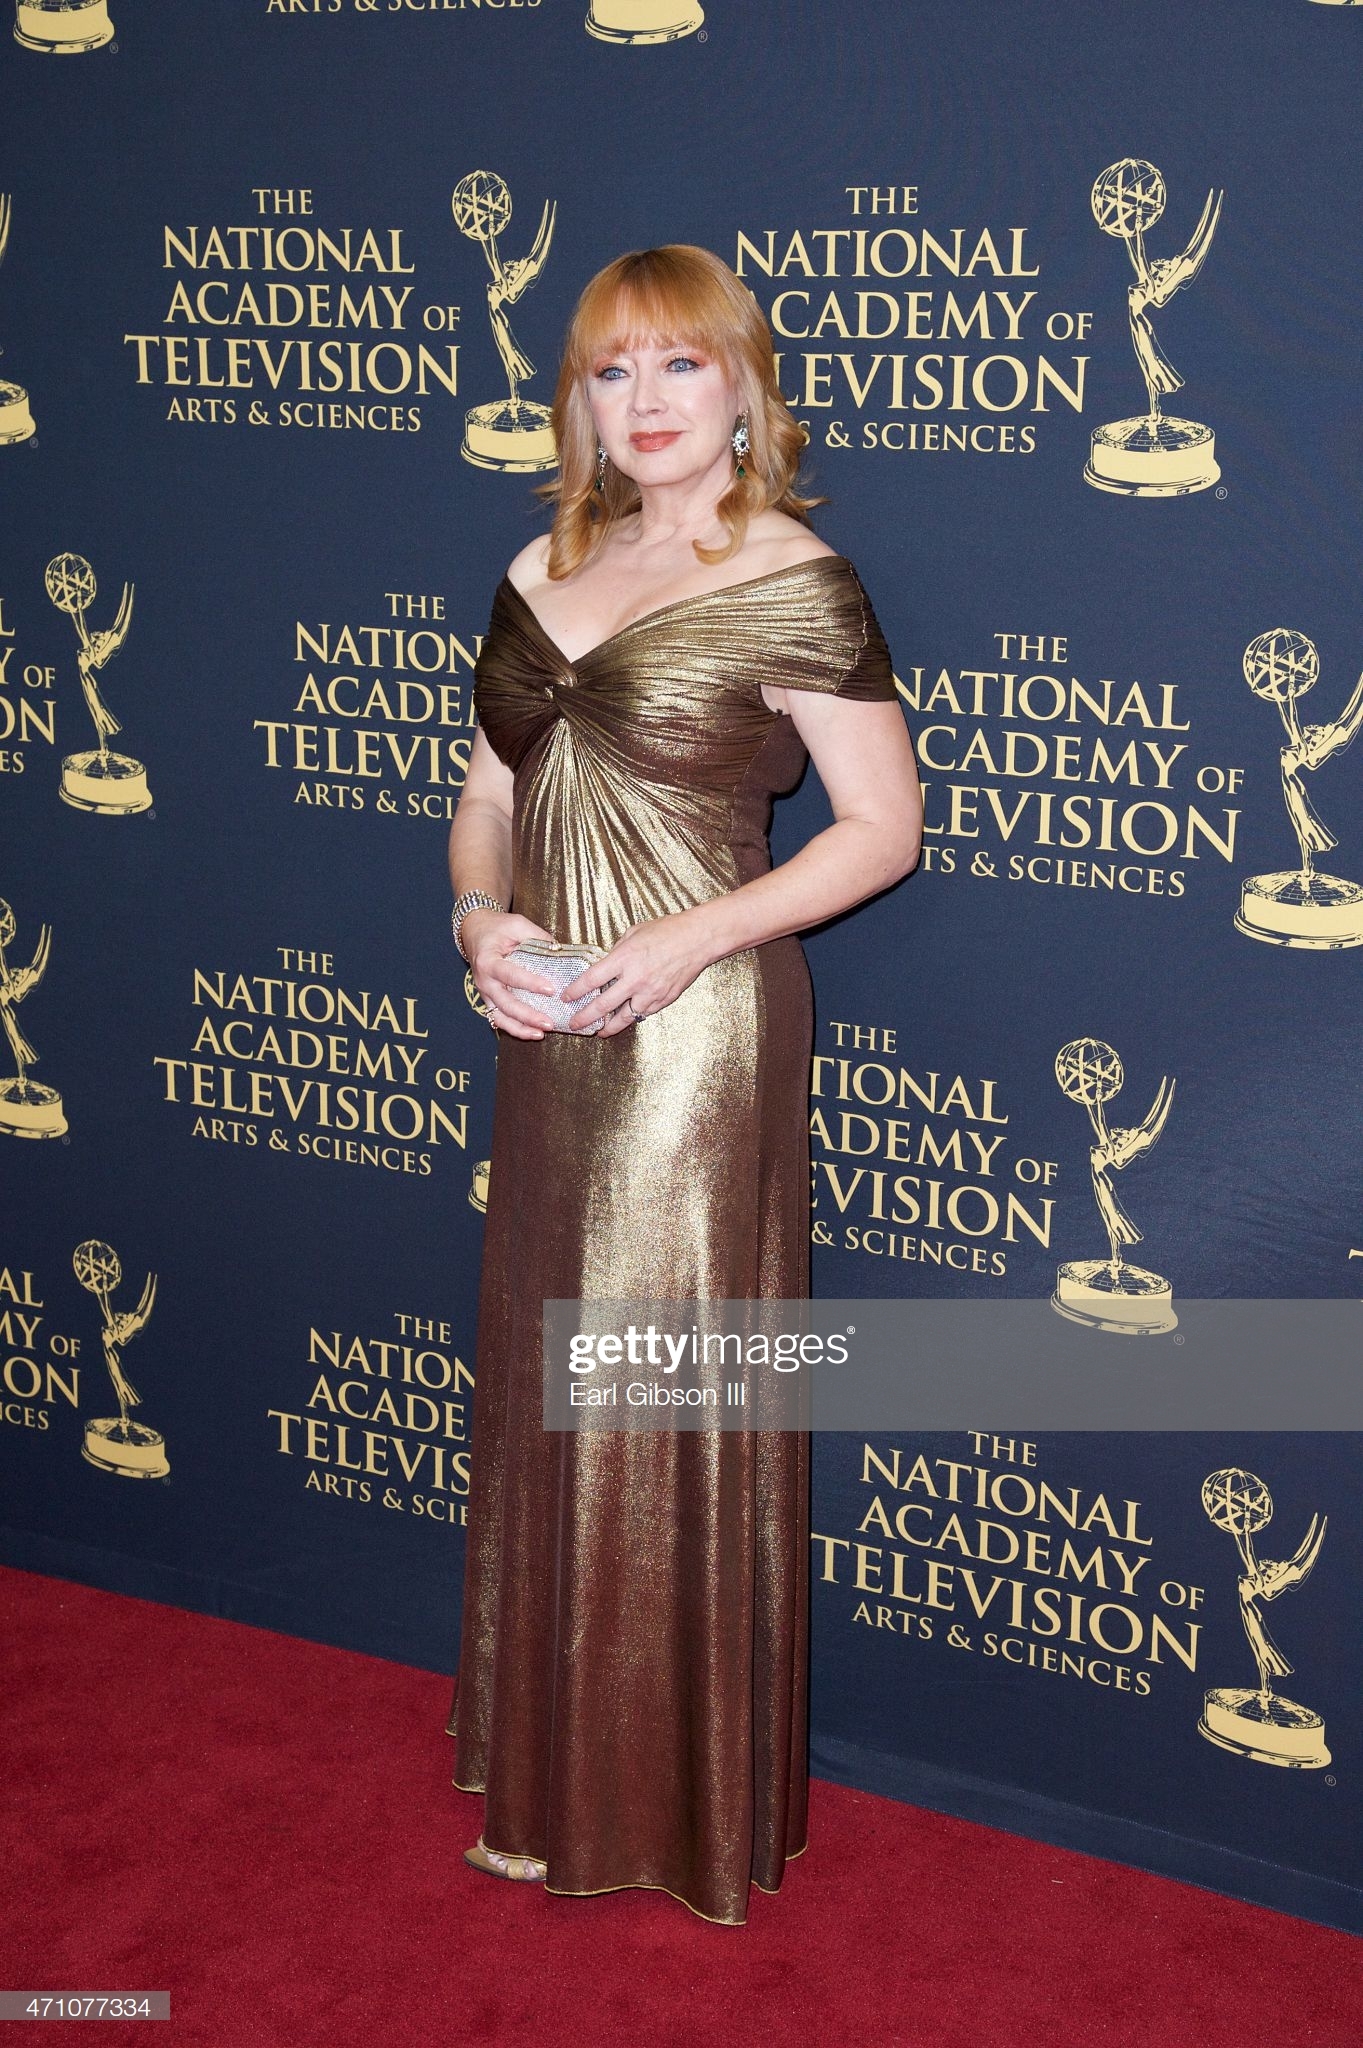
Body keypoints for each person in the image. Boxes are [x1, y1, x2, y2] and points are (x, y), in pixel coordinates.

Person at [444, 244, 922, 1926]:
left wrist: (685, 944)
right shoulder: (542, 565)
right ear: (575, 399)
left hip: (698, 1031)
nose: (642, 401)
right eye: (610, 369)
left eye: (679, 365)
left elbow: (883, 830)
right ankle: (558, 1769)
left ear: (743, 392)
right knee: (555, 1362)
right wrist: (479, 925)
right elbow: (487, 799)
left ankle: (665, 1800)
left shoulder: (795, 574)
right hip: (548, 1029)